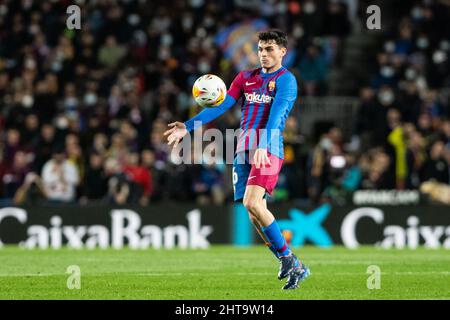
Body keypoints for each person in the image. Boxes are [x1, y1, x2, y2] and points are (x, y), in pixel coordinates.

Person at [164, 30, 309, 290]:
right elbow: (221, 106)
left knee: (254, 202)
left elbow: (277, 117)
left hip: (268, 148)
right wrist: (187, 126)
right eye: (261, 49)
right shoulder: (246, 78)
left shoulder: (287, 81)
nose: (264, 54)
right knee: (252, 211)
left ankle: (288, 258)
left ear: (282, 52)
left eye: (270, 49)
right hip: (243, 150)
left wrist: (263, 146)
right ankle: (292, 263)